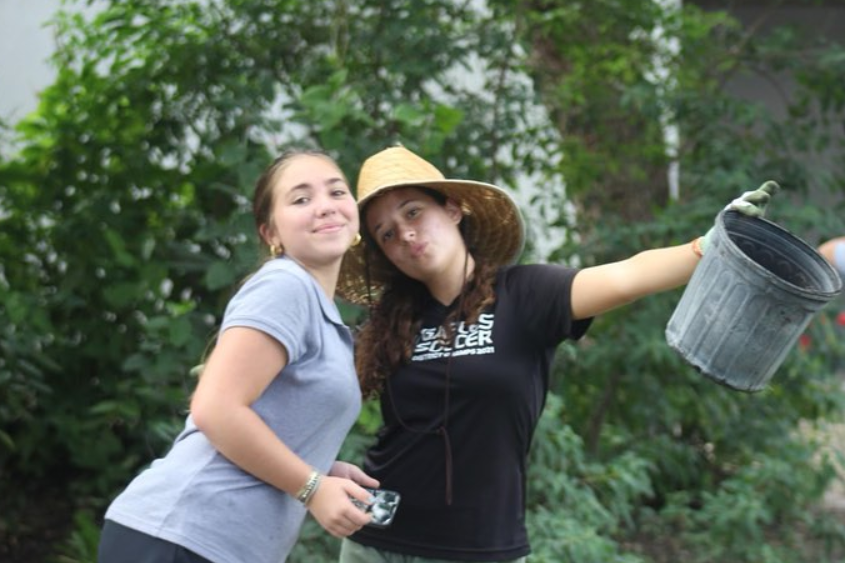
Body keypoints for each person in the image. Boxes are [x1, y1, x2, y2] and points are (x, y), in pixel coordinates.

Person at [334, 145, 779, 563]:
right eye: (387, 233)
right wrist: (315, 473)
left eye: (414, 212)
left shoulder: (526, 294)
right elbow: (306, 394)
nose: (406, 234)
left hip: (481, 548)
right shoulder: (388, 326)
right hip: (376, 542)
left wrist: (707, 246)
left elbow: (628, 276)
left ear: (452, 209)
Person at [98, 149, 380, 563]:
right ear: (272, 234)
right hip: (181, 536)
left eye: (336, 192)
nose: (324, 206)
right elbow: (216, 408)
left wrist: (318, 463)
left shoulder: (322, 315)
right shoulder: (286, 285)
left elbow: (266, 415)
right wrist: (312, 486)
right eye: (301, 199)